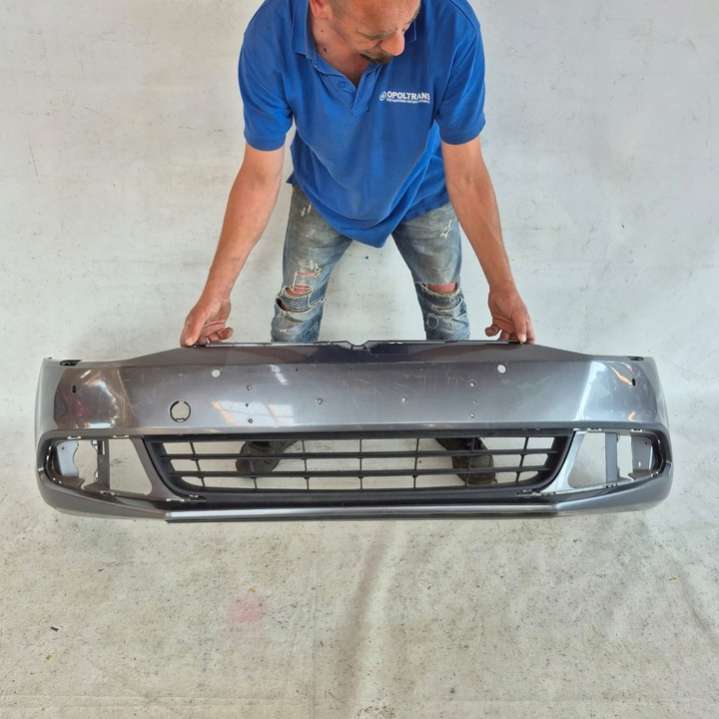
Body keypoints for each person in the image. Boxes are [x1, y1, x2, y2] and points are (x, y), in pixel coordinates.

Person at [180, 0, 536, 484]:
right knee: (295, 307)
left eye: (408, 25)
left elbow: (468, 174)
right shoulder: (271, 36)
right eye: (377, 36)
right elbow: (259, 176)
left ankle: (457, 418)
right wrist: (216, 291)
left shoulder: (452, 25)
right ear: (320, 5)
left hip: (424, 189)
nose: (400, 46)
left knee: (446, 302)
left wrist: (504, 286)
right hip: (324, 189)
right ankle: (282, 413)